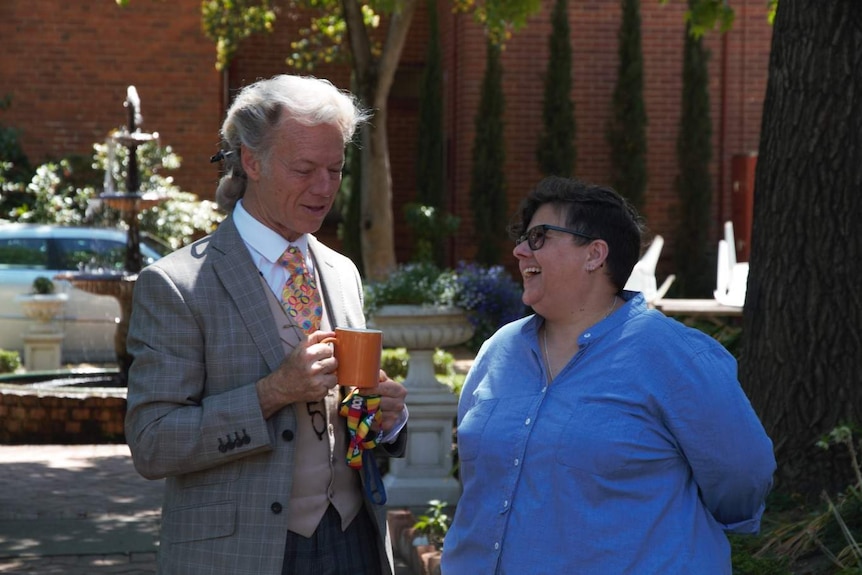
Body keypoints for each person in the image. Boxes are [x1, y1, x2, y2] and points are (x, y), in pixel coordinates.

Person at [124, 74, 408, 575]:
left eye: (335, 169)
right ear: (251, 161)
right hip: (239, 554)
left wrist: (383, 420)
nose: (324, 188)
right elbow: (152, 442)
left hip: (354, 543)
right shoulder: (176, 284)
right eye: (304, 169)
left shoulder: (342, 273)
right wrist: (271, 393)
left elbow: (351, 428)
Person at [441, 176, 775, 574]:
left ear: (595, 254)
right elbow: (478, 482)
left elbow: (742, 477)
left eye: (538, 237)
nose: (519, 251)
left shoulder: (674, 356)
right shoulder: (498, 350)